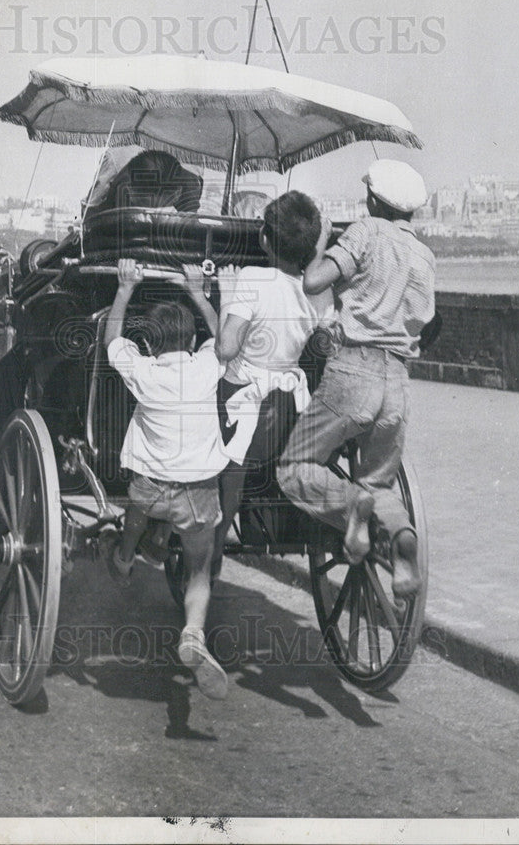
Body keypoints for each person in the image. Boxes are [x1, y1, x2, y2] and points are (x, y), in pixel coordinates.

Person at [276, 159, 435, 598]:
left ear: (372, 200)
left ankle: (352, 509)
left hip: (354, 371)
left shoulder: (365, 232)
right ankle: (401, 537)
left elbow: (313, 281)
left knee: (293, 469)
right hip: (398, 384)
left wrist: (324, 240)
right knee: (377, 481)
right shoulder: (424, 255)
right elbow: (426, 319)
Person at [103, 258, 229, 699]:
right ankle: (193, 631)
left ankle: (125, 554)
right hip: (197, 491)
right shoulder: (206, 367)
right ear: (192, 340)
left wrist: (125, 288)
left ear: (150, 346)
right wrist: (198, 292)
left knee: (136, 509)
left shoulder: (144, 371)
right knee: (198, 571)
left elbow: (112, 341)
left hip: (149, 491)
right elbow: (225, 341)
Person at [213, 191, 334, 579]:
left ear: (264, 239)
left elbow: (226, 348)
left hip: (244, 402)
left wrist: (224, 295)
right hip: (289, 402)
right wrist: (320, 246)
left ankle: (210, 542)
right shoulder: (313, 289)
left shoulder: (251, 278)